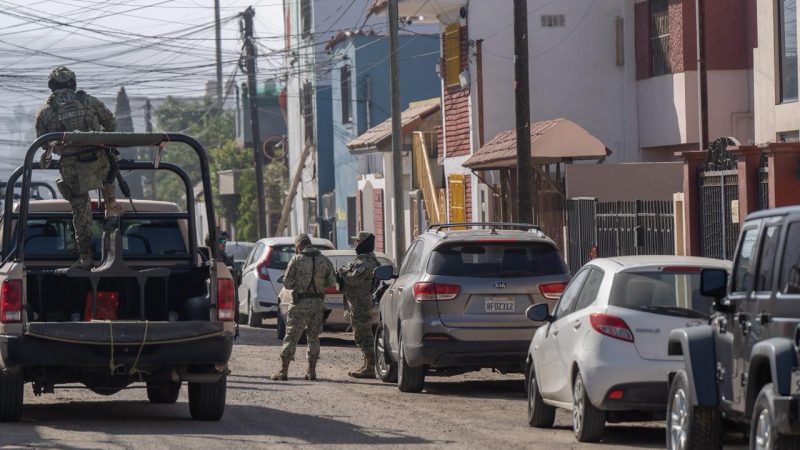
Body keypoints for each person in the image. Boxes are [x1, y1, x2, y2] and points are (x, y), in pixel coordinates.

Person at [35, 65, 122, 269]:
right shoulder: (89, 101)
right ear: (73, 84)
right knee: (110, 202)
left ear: (52, 86)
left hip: (72, 168)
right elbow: (111, 125)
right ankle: (113, 238)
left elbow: (42, 142)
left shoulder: (45, 113)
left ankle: (85, 256)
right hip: (100, 162)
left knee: (81, 211)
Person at [271, 233, 335, 381]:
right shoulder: (324, 260)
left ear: (299, 246)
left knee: (291, 337)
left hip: (300, 304)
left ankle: (283, 371)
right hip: (318, 304)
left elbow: (287, 283)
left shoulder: (296, 260)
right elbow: (331, 283)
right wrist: (318, 286)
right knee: (313, 337)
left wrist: (298, 285)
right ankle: (311, 371)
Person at [338, 231, 381, 379]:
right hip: (358, 302)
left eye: (358, 242)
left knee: (364, 335)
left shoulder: (365, 262)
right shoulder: (365, 260)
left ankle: (370, 367)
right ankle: (366, 364)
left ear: (363, 243)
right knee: (360, 334)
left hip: (361, 303)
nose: (355, 244)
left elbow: (353, 280)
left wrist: (342, 272)